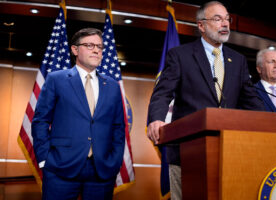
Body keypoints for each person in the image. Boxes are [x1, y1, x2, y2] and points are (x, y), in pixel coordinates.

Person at [147, 1, 264, 199]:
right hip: (187, 152)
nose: (225, 24)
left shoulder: (238, 60)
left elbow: (252, 100)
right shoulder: (180, 55)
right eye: (218, 19)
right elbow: (163, 92)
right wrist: (155, 119)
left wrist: (271, 123)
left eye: (227, 19)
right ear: (201, 25)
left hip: (229, 150)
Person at [32, 28, 125, 200]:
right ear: (75, 50)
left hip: (102, 170)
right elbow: (40, 121)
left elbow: (118, 127)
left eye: (99, 46)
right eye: (90, 45)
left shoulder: (112, 86)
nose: (96, 50)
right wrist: (45, 159)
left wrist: (115, 161)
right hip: (60, 167)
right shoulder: (56, 79)